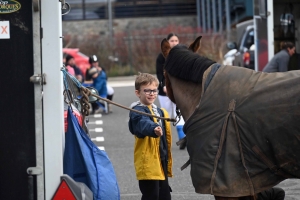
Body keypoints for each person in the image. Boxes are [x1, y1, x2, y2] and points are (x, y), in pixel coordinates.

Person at [128, 73, 173, 200]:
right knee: (151, 195)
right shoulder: (137, 112)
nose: (151, 93)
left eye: (154, 90)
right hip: (148, 162)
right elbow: (143, 124)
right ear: (138, 93)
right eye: (147, 90)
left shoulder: (160, 111)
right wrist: (154, 129)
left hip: (161, 159)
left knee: (165, 195)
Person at [156, 33, 186, 149]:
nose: (174, 42)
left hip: (178, 90)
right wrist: (164, 85)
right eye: (172, 40)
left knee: (180, 114)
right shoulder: (161, 57)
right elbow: (160, 73)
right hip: (165, 91)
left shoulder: (182, 55)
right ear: (167, 43)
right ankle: (163, 141)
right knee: (166, 115)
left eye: (176, 40)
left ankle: (182, 139)